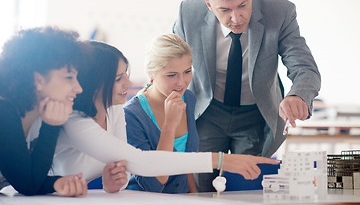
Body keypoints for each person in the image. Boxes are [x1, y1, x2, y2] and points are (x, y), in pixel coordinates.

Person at [44, 40, 279, 193]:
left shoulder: (114, 110)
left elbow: (123, 171)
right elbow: (142, 163)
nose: (128, 83)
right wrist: (221, 160)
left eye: (126, 74)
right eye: (118, 79)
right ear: (94, 84)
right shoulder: (76, 122)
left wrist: (112, 183)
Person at [173, 0, 321, 192]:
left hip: (254, 113)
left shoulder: (279, 11)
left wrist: (298, 94)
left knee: (247, 186)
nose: (236, 18)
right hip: (208, 110)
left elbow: (305, 67)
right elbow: (168, 62)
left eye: (243, 5)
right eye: (225, 10)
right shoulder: (188, 12)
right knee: (200, 185)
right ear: (209, 5)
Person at [0, 27, 88, 196]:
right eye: (69, 77)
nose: (79, 88)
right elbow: (28, 185)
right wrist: (51, 126)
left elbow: (23, 174)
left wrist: (56, 182)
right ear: (38, 80)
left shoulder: (18, 112)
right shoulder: (4, 112)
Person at [124, 34, 198, 193]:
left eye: (187, 72)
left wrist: (197, 197)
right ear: (151, 75)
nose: (182, 82)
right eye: (171, 75)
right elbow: (154, 184)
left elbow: (187, 164)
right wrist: (169, 126)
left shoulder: (188, 99)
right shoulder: (132, 114)